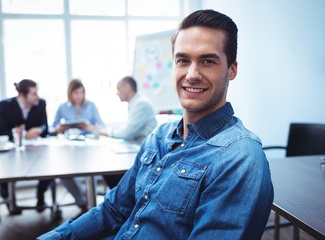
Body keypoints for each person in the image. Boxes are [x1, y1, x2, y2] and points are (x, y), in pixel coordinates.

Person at [38, 9, 273, 239]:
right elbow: (112, 211)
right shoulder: (159, 136)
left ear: (232, 70)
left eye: (208, 61)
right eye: (183, 60)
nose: (192, 74)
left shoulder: (240, 156)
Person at [0, 79, 52, 213]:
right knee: (3, 168)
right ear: (22, 94)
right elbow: (0, 131)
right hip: (11, 151)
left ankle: (40, 196)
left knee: (49, 166)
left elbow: (45, 128)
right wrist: (24, 134)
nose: (37, 96)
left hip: (36, 149)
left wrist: (39, 130)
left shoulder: (40, 103)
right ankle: (8, 200)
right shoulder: (5, 105)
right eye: (34, 94)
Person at [51, 79, 105, 216]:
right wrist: (59, 129)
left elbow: (102, 127)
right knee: (65, 174)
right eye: (76, 93)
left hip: (89, 147)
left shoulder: (91, 106)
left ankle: (88, 200)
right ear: (70, 93)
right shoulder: (62, 107)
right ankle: (82, 202)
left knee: (88, 171)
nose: (79, 96)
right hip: (70, 148)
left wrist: (90, 128)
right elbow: (52, 129)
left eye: (82, 92)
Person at [103, 76, 157, 188]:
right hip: (137, 148)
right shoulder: (135, 103)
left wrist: (108, 132)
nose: (117, 93)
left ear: (127, 88)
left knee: (109, 170)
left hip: (144, 151)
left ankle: (122, 200)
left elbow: (127, 132)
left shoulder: (140, 104)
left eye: (118, 89)